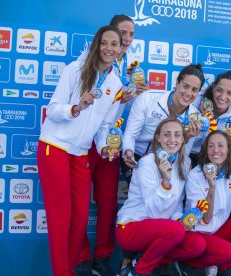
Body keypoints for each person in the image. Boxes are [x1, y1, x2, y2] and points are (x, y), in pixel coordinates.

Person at [37, 25, 123, 276]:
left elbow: (104, 125)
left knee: (79, 221)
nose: (109, 48)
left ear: (120, 50)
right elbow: (53, 109)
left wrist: (106, 146)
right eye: (104, 42)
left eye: (114, 44)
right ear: (96, 45)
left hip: (81, 153)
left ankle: (70, 269)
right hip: (55, 147)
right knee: (61, 219)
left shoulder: (116, 84)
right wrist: (76, 108)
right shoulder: (74, 70)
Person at [76, 14, 150, 276]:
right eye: (123, 34)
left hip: (110, 143)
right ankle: (81, 258)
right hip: (83, 142)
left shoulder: (132, 65)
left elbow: (121, 107)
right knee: (80, 203)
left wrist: (132, 97)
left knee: (108, 203)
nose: (127, 40)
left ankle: (102, 258)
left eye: (131, 35)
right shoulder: (89, 62)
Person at [119, 64, 204, 273]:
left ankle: (156, 260)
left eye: (195, 90)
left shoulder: (194, 115)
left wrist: (190, 138)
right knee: (145, 207)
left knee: (170, 207)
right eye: (185, 86)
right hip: (139, 158)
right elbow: (130, 133)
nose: (189, 93)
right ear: (176, 83)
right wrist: (128, 152)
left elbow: (185, 150)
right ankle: (129, 264)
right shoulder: (148, 98)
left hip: (172, 158)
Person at [184, 130, 231, 276]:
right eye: (211, 146)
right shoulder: (195, 175)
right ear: (205, 150)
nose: (216, 150)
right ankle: (191, 265)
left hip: (218, 231)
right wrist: (211, 187)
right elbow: (205, 219)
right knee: (227, 251)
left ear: (228, 149)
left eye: (220, 145)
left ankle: (226, 268)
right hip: (198, 233)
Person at [189, 71, 231, 166]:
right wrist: (204, 122)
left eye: (230, 93)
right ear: (214, 88)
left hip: (217, 158)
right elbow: (189, 142)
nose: (223, 97)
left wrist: (230, 143)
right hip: (192, 155)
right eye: (219, 90)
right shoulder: (196, 104)